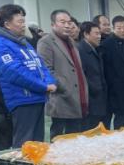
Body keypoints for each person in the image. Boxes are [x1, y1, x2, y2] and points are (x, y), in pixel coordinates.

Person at [0, 4, 56, 147]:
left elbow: (40, 65)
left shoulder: (23, 43)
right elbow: (16, 73)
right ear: (7, 24)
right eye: (20, 21)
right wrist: (44, 86)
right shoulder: (0, 46)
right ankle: (23, 163)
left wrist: (50, 81)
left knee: (37, 143)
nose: (24, 25)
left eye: (24, 21)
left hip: (37, 97)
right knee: (25, 144)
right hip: (22, 100)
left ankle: (35, 163)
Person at [37, 9, 88, 140]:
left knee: (74, 137)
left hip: (77, 96)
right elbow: (45, 70)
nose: (67, 25)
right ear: (53, 24)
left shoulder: (71, 42)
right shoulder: (46, 42)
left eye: (69, 22)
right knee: (59, 138)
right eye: (62, 22)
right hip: (60, 98)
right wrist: (64, 86)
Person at [101, 16, 124, 129]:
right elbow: (106, 69)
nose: (123, 30)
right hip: (117, 91)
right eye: (119, 28)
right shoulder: (107, 45)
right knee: (120, 121)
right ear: (113, 29)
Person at [77, 22, 109, 130]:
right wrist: (94, 89)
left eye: (100, 33)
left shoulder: (95, 49)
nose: (99, 36)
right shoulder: (80, 51)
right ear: (86, 34)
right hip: (91, 100)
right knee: (91, 130)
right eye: (96, 33)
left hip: (99, 98)